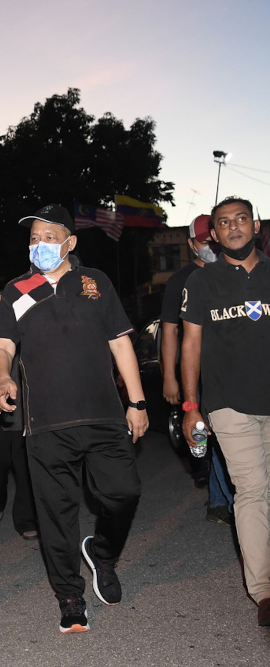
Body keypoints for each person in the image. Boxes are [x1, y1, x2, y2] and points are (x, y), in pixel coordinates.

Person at [0, 204, 147, 634]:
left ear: (70, 242)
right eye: (33, 237)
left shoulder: (96, 282)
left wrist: (137, 402)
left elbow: (120, 344)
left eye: (48, 236)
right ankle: (70, 596)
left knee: (124, 493)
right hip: (45, 424)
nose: (39, 244)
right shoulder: (17, 289)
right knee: (55, 515)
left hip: (104, 417)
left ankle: (103, 553)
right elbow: (3, 345)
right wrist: (3, 377)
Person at [180, 196, 270, 627]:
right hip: (229, 404)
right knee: (251, 492)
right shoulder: (203, 282)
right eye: (223, 223)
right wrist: (190, 405)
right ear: (213, 234)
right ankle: (264, 590)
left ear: (255, 225)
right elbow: (190, 345)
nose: (233, 227)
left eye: (240, 219)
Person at [160, 214, 234, 522]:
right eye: (205, 242)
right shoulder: (182, 280)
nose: (212, 246)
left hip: (232, 369)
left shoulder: (232, 272)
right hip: (199, 375)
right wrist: (169, 377)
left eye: (214, 239)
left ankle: (219, 500)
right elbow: (170, 330)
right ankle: (228, 500)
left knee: (227, 436)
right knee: (212, 435)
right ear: (192, 244)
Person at [0, 290, 38, 540]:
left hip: (22, 415)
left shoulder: (24, 331)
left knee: (24, 470)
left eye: (2, 305)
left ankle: (25, 519)